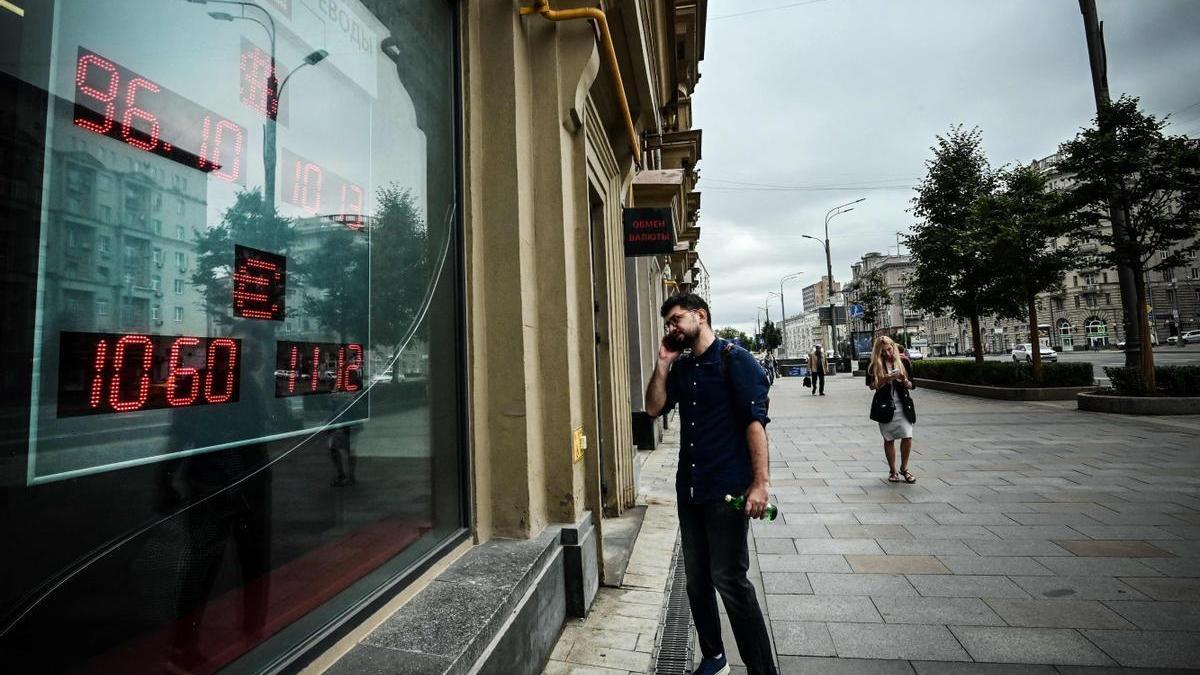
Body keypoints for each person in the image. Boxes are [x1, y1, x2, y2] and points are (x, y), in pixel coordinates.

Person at [645, 293, 779, 675]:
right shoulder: (683, 367)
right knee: (697, 581)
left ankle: (761, 669)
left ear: (699, 316)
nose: (671, 328)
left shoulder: (736, 360)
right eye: (668, 323)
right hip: (690, 489)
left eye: (675, 320)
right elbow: (653, 408)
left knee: (730, 580)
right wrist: (662, 365)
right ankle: (715, 656)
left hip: (727, 490)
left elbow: (756, 424)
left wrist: (760, 483)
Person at [866, 336, 917, 483]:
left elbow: (912, 385)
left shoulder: (904, 361)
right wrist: (885, 378)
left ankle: (904, 468)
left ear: (893, 346)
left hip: (903, 404)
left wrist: (903, 379)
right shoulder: (874, 364)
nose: (888, 354)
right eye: (883, 352)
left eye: (889, 349)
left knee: (907, 436)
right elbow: (871, 386)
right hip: (885, 406)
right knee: (889, 438)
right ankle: (893, 470)